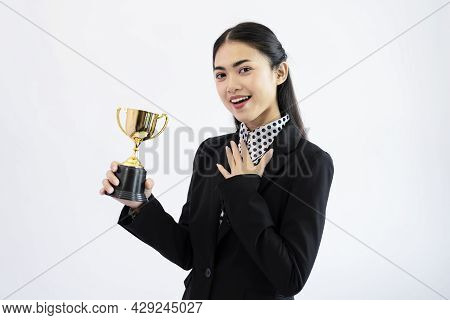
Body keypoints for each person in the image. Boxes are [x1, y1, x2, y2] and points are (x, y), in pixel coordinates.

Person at [99, 21, 334, 300]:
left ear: (279, 72)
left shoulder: (312, 162)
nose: (231, 86)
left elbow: (290, 277)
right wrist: (140, 205)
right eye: (220, 75)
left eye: (244, 69)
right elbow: (190, 252)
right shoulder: (211, 151)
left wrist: (243, 194)